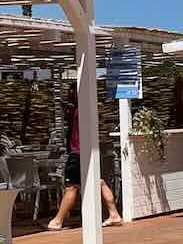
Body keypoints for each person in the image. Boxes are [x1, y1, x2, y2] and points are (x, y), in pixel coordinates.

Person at [46, 86, 124, 230]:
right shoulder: (88, 109)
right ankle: (114, 214)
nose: (68, 94)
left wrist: (67, 109)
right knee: (99, 182)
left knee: (71, 188)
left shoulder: (78, 111)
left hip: (77, 154)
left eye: (71, 92)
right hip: (88, 152)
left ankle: (57, 221)